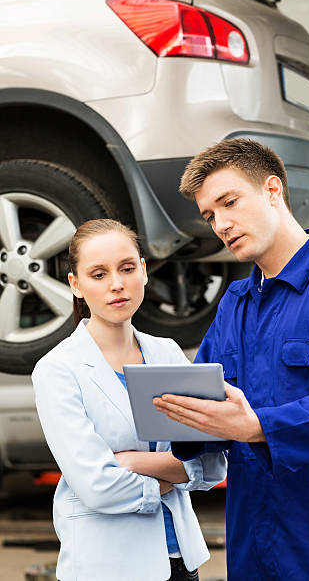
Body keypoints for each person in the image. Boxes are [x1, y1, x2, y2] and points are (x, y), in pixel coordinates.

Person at [153, 138, 309, 580]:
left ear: (273, 190)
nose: (222, 224)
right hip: (253, 541)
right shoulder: (235, 304)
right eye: (211, 216)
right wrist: (172, 417)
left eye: (230, 202)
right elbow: (210, 419)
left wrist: (254, 427)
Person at [32, 218, 227, 581]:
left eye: (126, 268)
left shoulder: (166, 353)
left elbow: (214, 464)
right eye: (98, 274)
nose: (117, 284)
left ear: (144, 270)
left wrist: (130, 460)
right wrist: (176, 471)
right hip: (107, 566)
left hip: (181, 561)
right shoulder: (57, 369)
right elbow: (97, 486)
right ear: (75, 285)